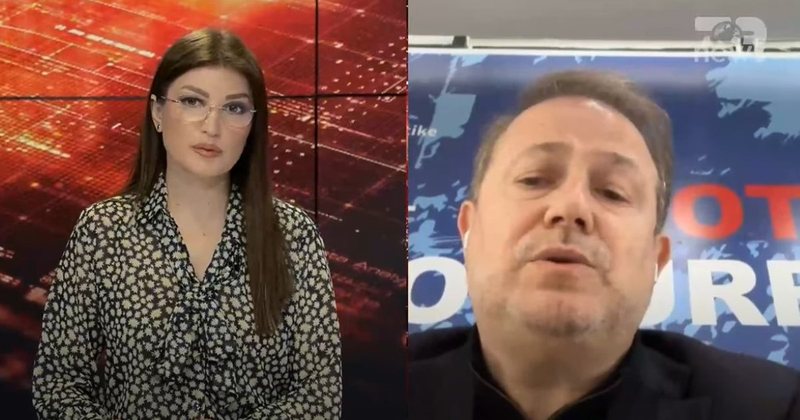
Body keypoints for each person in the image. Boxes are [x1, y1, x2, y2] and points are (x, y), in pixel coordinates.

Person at [408, 70, 800, 420]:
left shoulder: (771, 406)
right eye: (534, 179)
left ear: (657, 259)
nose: (570, 208)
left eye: (613, 192)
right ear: (469, 230)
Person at [31, 28, 342, 419]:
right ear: (158, 112)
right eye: (194, 101)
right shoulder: (103, 230)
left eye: (234, 108)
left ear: (252, 124)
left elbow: (319, 396)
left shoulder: (293, 235)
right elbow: (59, 385)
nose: (212, 126)